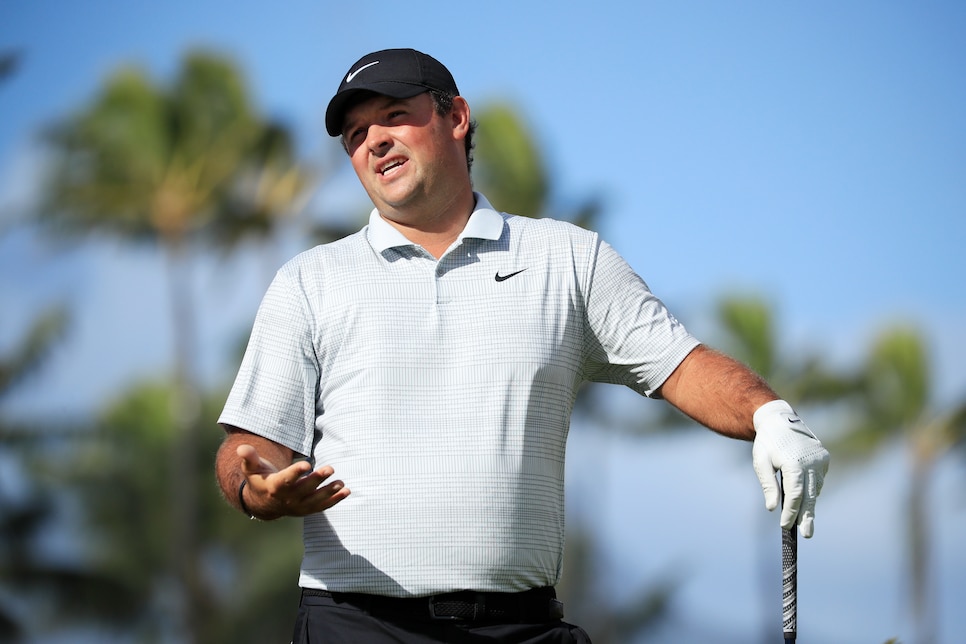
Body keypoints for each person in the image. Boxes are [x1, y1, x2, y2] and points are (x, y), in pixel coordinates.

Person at [214, 48, 830, 644]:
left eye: (395, 116)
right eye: (354, 134)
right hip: (354, 625)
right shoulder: (310, 279)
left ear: (456, 117)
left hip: (519, 626)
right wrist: (256, 488)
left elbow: (681, 364)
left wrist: (766, 413)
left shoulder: (567, 258)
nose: (372, 141)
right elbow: (248, 446)